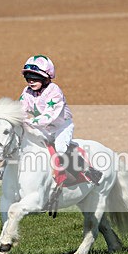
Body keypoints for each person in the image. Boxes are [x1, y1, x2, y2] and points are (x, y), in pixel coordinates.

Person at [19, 54, 102, 185]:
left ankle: (88, 171)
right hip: (43, 128)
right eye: (28, 77)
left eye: (36, 77)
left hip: (61, 127)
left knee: (61, 148)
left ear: (46, 78)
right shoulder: (27, 92)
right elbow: (20, 109)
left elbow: (48, 116)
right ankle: (4, 170)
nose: (31, 81)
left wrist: (29, 122)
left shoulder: (54, 91)